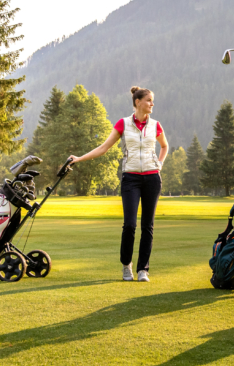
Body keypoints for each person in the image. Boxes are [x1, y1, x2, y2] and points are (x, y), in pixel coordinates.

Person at [69, 86, 169, 282]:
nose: (152, 104)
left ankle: (143, 270)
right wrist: (79, 159)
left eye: (152, 100)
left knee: (148, 226)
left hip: (152, 179)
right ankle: (126, 265)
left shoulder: (155, 125)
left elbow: (164, 146)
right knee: (130, 225)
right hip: (130, 179)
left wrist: (160, 164)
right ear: (138, 102)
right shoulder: (123, 124)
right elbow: (104, 148)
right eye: (149, 100)